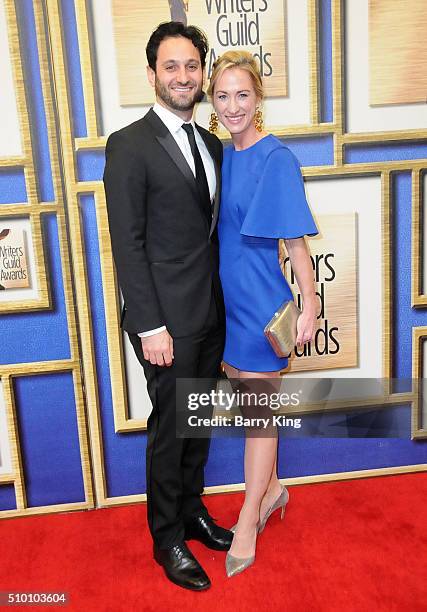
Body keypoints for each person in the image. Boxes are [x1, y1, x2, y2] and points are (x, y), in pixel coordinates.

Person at [103, 21, 232, 592]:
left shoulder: (211, 144)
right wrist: (150, 324)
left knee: (198, 421)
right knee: (171, 428)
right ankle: (167, 537)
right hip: (164, 324)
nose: (183, 76)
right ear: (152, 73)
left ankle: (192, 511)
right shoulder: (128, 145)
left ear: (201, 72)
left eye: (191, 66)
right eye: (171, 66)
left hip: (209, 312)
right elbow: (127, 244)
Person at [207, 50, 319, 577]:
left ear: (258, 99)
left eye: (242, 95)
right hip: (224, 307)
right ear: (212, 101)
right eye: (223, 95)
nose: (233, 106)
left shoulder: (276, 159)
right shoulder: (218, 157)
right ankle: (273, 489)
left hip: (260, 305)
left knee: (257, 417)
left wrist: (311, 303)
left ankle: (249, 516)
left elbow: (295, 245)